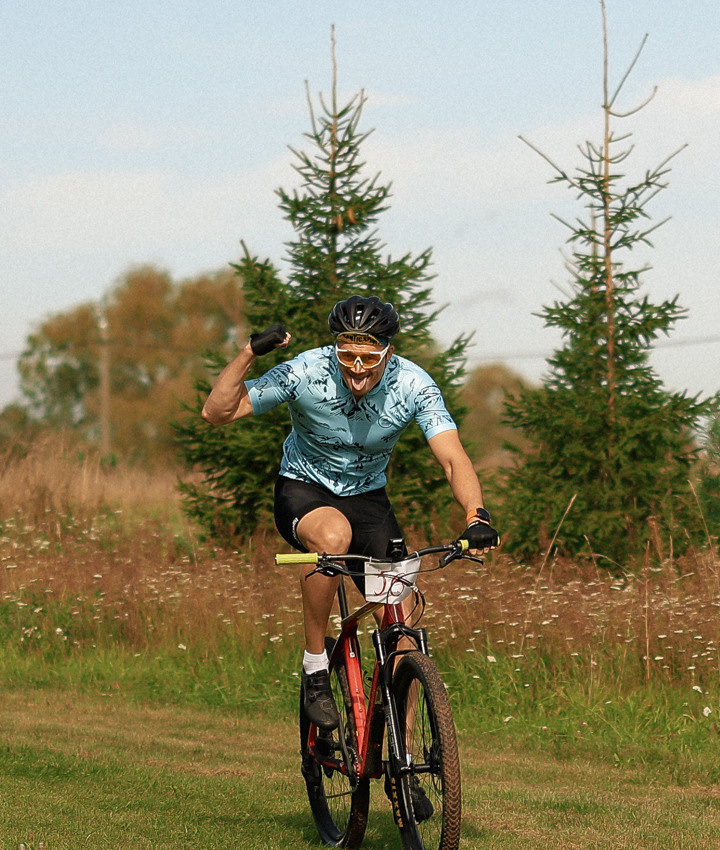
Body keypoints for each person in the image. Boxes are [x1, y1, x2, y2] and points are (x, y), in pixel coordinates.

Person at [200, 295, 498, 729]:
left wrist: (477, 515)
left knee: (404, 625)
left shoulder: (413, 384)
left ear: (388, 353)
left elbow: (453, 458)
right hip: (304, 490)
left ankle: (406, 760)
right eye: (348, 355)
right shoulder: (307, 371)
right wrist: (249, 353)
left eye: (368, 357)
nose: (357, 367)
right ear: (336, 350)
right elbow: (217, 412)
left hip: (368, 500)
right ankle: (315, 667)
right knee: (333, 538)